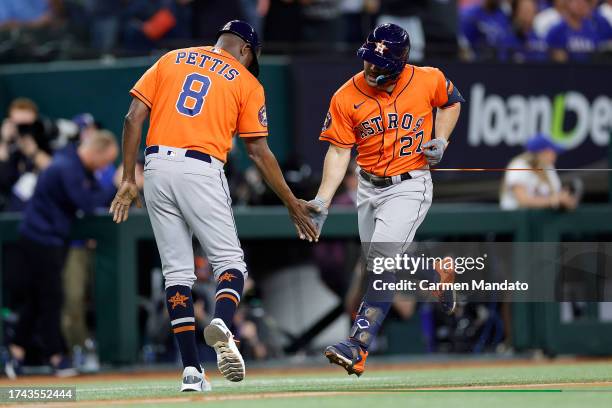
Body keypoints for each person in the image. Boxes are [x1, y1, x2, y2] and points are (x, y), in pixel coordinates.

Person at [109, 20, 317, 392]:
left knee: (176, 274)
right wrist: (289, 200)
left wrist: (128, 178)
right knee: (231, 264)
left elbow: (131, 118)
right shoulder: (246, 80)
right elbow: (257, 150)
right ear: (246, 50)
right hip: (200, 168)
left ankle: (191, 370)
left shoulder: (172, 58)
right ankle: (222, 321)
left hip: (155, 166)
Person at [306, 23, 464, 377]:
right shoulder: (346, 94)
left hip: (410, 184)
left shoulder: (427, 78)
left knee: (381, 263)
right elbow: (338, 152)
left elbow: (452, 102)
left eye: (380, 63)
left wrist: (442, 139)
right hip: (368, 186)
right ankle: (435, 275)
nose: (371, 68)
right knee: (384, 264)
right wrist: (323, 199)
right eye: (369, 60)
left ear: (401, 61)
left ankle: (358, 345)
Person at [4, 131, 119, 379]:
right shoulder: (67, 166)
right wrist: (114, 184)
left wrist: (107, 186)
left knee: (38, 298)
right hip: (40, 240)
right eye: (106, 161)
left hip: (50, 239)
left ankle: (16, 352)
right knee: (51, 298)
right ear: (96, 152)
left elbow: (93, 193)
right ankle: (56, 356)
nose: (106, 167)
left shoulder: (75, 164)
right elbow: (87, 203)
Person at [500, 133, 577, 210]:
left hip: (541, 220)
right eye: (551, 152)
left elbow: (556, 195)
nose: (555, 156)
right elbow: (523, 201)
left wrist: (565, 200)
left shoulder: (548, 168)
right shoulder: (518, 166)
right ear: (541, 153)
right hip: (514, 220)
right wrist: (555, 200)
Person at [546, 0, 612, 62]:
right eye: (576, 1)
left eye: (584, 1)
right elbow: (557, 58)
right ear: (567, 4)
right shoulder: (557, 31)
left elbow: (598, 50)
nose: (581, 4)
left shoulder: (592, 28)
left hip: (591, 69)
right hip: (567, 71)